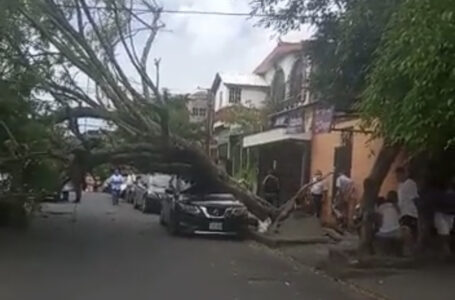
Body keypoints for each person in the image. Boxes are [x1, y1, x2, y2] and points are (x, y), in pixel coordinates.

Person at [395, 167, 419, 237]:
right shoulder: (400, 186)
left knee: (409, 236)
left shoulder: (410, 183)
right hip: (403, 214)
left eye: (398, 175)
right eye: (396, 176)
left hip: (410, 214)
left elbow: (415, 198)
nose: (397, 178)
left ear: (404, 174)